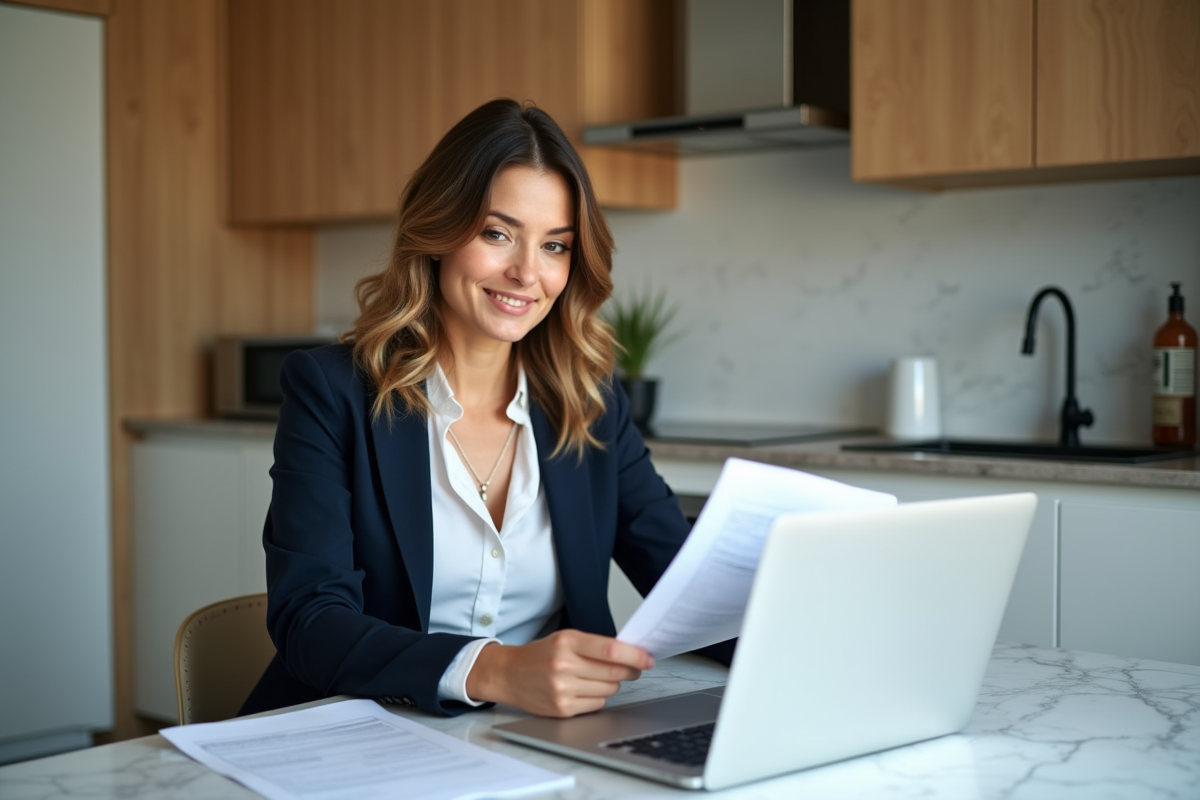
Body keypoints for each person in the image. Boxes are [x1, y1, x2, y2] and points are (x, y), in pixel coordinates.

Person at [241, 98, 731, 720]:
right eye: (497, 234)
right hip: (359, 734)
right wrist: (494, 670)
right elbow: (310, 621)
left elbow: (693, 592)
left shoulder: (590, 403)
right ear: (438, 231)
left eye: (555, 246)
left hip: (540, 740)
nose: (527, 272)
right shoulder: (332, 391)